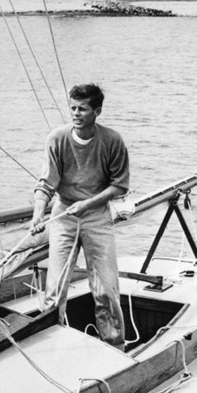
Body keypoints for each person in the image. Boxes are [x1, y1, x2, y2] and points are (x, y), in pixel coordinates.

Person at [30, 83, 129, 351]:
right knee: (55, 289)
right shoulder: (57, 139)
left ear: (96, 111)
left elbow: (120, 185)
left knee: (106, 289)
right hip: (63, 215)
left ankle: (113, 347)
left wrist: (88, 203)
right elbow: (45, 185)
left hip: (96, 216)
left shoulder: (112, 141)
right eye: (72, 107)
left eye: (82, 109)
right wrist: (38, 214)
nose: (75, 113)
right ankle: (51, 346)